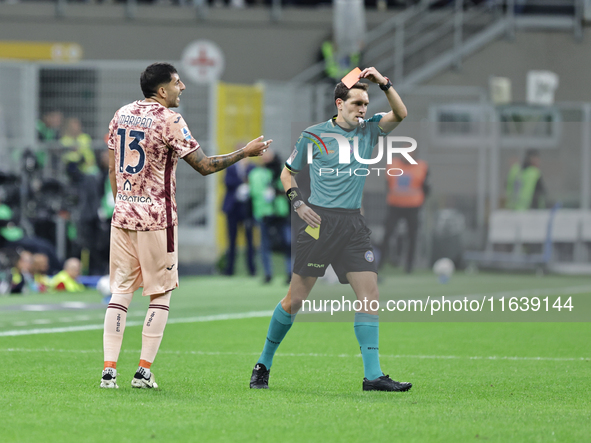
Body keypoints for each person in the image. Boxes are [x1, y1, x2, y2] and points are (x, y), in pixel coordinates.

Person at [100, 62, 271, 390]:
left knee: (120, 293)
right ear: (162, 90)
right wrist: (245, 152)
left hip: (122, 217)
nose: (183, 88)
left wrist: (124, 205)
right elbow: (205, 166)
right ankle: (143, 372)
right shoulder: (169, 120)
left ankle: (109, 371)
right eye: (178, 83)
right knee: (160, 294)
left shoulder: (120, 114)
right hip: (157, 220)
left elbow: (111, 170)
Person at [249, 67, 412, 392]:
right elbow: (287, 175)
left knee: (370, 296)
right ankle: (263, 363)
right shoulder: (314, 135)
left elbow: (401, 113)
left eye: (365, 104)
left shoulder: (370, 130)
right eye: (356, 104)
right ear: (339, 104)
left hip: (353, 225)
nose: (362, 110)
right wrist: (298, 204)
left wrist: (384, 83)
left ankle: (373, 376)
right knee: (295, 301)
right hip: (318, 224)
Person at [378, 155, 430, 273]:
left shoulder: (421, 167)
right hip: (395, 206)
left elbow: (426, 187)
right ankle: (380, 263)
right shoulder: (393, 165)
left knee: (412, 236)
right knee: (388, 234)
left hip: (413, 206)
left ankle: (409, 266)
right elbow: (388, 184)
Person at [248, 149, 291, 284]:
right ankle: (268, 274)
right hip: (264, 213)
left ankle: (290, 273)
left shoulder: (281, 170)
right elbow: (254, 195)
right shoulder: (255, 174)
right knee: (265, 245)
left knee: (287, 243)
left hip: (280, 212)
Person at [221, 159, 256, 276]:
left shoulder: (252, 168)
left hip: (247, 209)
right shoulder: (231, 168)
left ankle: (251, 270)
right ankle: (230, 269)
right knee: (231, 240)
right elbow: (227, 182)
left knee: (249, 240)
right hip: (233, 209)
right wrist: (242, 182)